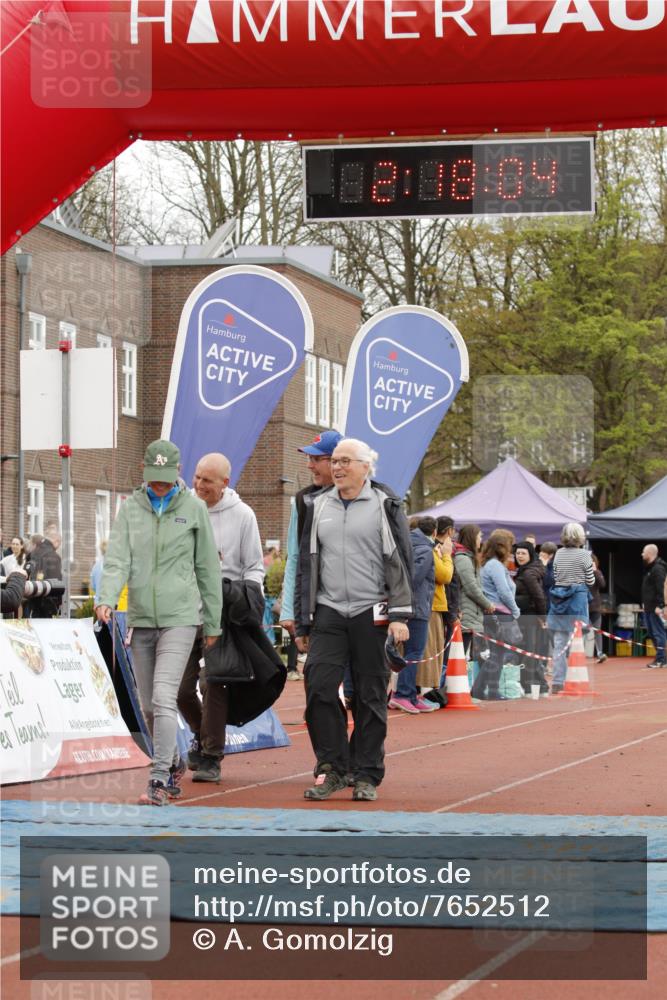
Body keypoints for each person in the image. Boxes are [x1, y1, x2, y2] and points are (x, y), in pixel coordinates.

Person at [96, 439, 222, 806]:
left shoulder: (195, 509)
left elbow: (208, 570)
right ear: (144, 471)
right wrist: (106, 597)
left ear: (178, 473)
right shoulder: (130, 509)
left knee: (165, 696)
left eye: (166, 479)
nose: (160, 485)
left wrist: (212, 624)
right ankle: (173, 759)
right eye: (154, 479)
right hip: (141, 618)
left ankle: (160, 777)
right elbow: (117, 558)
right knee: (149, 705)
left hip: (181, 619)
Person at [295, 437, 413, 802]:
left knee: (370, 695)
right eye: (336, 461)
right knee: (318, 685)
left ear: (366, 467)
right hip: (329, 610)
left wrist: (399, 614)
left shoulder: (385, 505)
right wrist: (303, 620)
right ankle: (332, 767)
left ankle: (366, 774)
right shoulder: (315, 505)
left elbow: (401, 562)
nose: (338, 467)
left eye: (346, 461)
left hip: (371, 612)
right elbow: (306, 564)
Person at [177, 451, 264, 782]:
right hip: (183, 611)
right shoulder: (181, 509)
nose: (198, 485)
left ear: (225, 483)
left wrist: (248, 599)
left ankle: (211, 756)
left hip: (222, 611)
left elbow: (253, 566)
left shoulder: (242, 515)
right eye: (196, 477)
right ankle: (203, 737)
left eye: (207, 480)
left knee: (215, 683)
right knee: (180, 688)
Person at [279, 429, 343, 680]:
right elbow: (295, 557)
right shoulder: (302, 501)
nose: (309, 466)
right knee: (319, 682)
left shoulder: (366, 498)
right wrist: (288, 611)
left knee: (358, 691)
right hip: (320, 610)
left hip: (358, 611)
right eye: (310, 459)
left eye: (316, 459)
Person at [389, 516, 437, 713]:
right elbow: (414, 579)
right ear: (434, 532)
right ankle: (402, 694)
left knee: (407, 653)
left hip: (407, 606)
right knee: (414, 652)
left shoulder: (408, 544)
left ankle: (408, 694)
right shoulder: (425, 550)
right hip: (416, 608)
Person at [546, 522, 594, 693]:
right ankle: (575, 679)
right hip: (577, 599)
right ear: (580, 536)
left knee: (559, 643)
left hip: (559, 597)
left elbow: (556, 575)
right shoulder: (584, 555)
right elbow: (590, 580)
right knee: (577, 641)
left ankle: (558, 681)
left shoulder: (558, 553)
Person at [476, 529, 520, 700]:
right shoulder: (495, 565)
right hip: (500, 614)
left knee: (497, 654)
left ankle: (482, 689)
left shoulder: (490, 564)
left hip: (496, 613)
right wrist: (515, 610)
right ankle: (488, 690)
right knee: (497, 654)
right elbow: (503, 591)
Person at [453, 523, 495, 659]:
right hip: (466, 615)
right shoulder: (463, 559)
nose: (481, 540)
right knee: (459, 656)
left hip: (471, 615)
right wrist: (487, 604)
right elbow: (471, 587)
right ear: (472, 538)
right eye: (479, 536)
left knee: (465, 657)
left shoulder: (468, 558)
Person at [514, 540, 548, 694]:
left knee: (528, 653)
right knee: (530, 652)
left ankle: (533, 686)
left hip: (529, 617)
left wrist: (542, 617)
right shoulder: (526, 570)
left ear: (530, 555)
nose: (519, 556)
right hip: (528, 616)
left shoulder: (528, 573)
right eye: (518, 553)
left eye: (523, 553)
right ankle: (538, 686)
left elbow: (539, 596)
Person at [25, 525, 63, 618]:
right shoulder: (54, 556)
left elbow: (26, 572)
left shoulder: (33, 553)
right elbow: (55, 583)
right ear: (56, 541)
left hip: (32, 600)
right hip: (47, 605)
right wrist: (57, 604)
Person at [641, 543, 666, 668]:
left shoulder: (658, 568)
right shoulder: (651, 568)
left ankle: (661, 659)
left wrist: (660, 605)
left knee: (658, 633)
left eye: (644, 552)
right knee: (651, 633)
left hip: (655, 608)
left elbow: (661, 588)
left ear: (650, 554)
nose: (642, 554)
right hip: (648, 607)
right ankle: (662, 658)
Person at [588, 553, 607, 663]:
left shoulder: (597, 573)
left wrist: (595, 571)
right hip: (582, 607)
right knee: (582, 630)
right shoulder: (580, 573)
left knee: (597, 630)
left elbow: (602, 584)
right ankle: (574, 652)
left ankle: (600, 653)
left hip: (595, 607)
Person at [90, 540, 108, 604]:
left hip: (98, 603)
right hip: (110, 604)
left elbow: (93, 586)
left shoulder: (95, 566)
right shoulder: (113, 566)